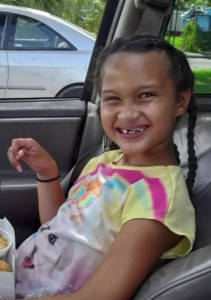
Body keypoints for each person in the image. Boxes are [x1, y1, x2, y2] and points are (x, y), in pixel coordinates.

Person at [7, 34, 198, 300]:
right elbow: (58, 229)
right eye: (113, 98)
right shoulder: (104, 162)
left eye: (146, 95)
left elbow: (98, 296)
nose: (127, 113)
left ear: (180, 101)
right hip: (13, 273)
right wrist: (47, 173)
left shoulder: (158, 202)